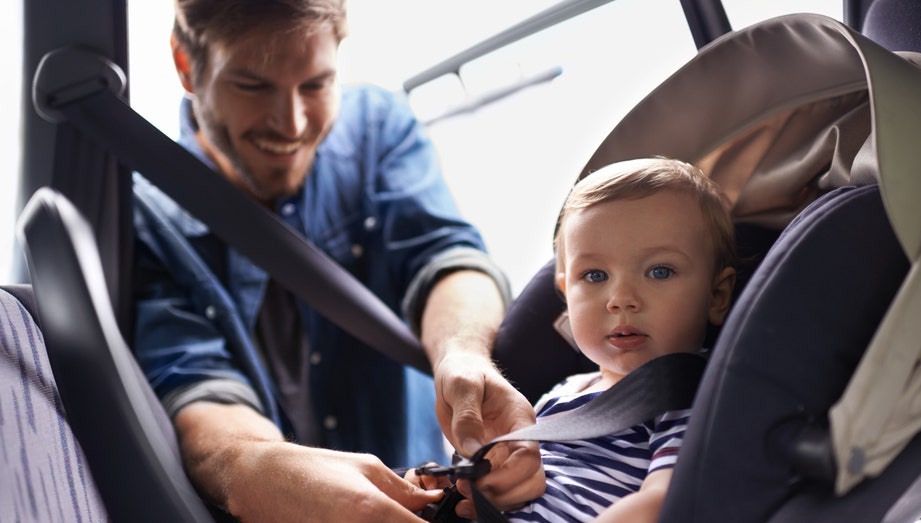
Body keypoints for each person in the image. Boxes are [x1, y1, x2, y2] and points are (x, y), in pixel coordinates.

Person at [131, 1, 542, 521]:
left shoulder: (376, 127)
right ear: (187, 66)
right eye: (253, 86)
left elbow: (444, 257)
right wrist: (260, 471)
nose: (292, 123)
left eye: (316, 85)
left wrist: (464, 357)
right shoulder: (145, 217)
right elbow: (197, 382)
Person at [505, 157, 738, 522]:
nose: (621, 298)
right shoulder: (563, 392)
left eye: (659, 271)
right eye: (595, 275)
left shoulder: (690, 396)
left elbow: (662, 504)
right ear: (567, 294)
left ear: (717, 296)